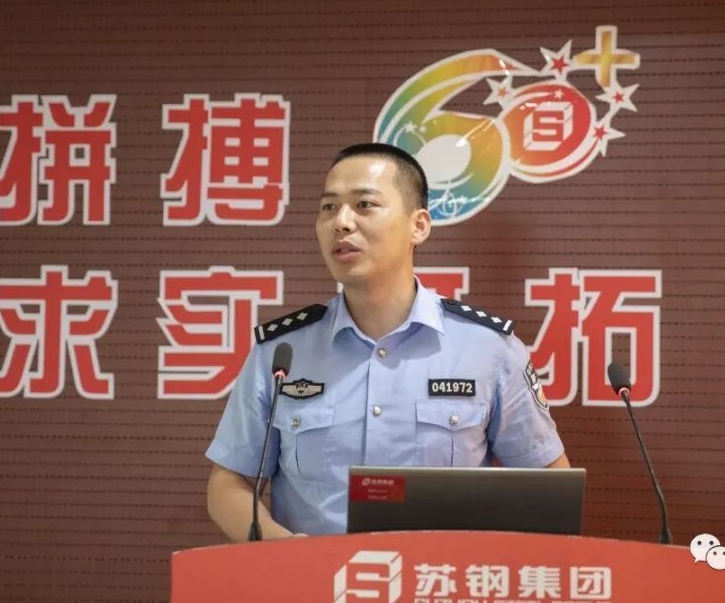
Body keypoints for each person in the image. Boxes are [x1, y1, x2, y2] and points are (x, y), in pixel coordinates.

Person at [205, 143, 569, 540]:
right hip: (315, 574)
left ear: (419, 226)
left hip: (439, 574)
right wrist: (283, 551)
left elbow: (548, 487)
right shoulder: (282, 353)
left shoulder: (488, 349)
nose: (341, 222)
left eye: (364, 205)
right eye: (329, 207)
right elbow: (229, 483)